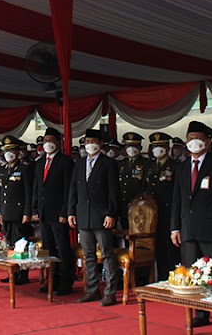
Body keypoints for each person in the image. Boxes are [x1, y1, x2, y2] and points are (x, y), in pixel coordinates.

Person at [170, 121, 212, 333]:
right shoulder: (182, 166)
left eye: (197, 138)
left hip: (211, 231)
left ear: (208, 142)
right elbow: (177, 199)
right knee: (193, 273)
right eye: (189, 138)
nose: (193, 142)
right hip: (187, 229)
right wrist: (174, 228)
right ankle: (201, 313)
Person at [69, 128, 119, 306]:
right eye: (87, 142)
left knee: (106, 254)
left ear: (101, 144)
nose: (90, 145)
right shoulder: (80, 163)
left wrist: (111, 213)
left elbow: (114, 192)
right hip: (83, 215)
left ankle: (110, 292)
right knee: (88, 255)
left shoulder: (108, 163)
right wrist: (71, 212)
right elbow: (73, 189)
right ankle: (92, 290)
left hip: (102, 216)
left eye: (93, 141)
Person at [32, 127, 75, 296]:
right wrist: (35, 208)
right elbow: (36, 187)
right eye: (45, 140)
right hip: (43, 213)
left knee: (63, 248)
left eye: (51, 140)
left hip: (58, 214)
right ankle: (52, 281)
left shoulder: (65, 162)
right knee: (49, 249)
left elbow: (68, 190)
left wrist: (65, 212)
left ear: (58, 142)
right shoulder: (40, 162)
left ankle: (66, 281)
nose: (48, 143)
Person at [0, 137, 32, 283]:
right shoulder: (3, 169)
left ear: (18, 152)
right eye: (6, 151)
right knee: (10, 243)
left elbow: (28, 192)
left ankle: (23, 273)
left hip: (19, 213)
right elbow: (0, 192)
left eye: (11, 150)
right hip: (6, 212)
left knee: (20, 243)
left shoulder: (24, 168)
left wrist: (27, 212)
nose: (8, 153)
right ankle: (12, 270)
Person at [145, 131, 180, 281]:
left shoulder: (175, 166)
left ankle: (173, 276)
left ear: (167, 147)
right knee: (157, 247)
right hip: (154, 213)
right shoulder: (151, 166)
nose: (157, 149)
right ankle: (160, 277)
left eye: (160, 146)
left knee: (171, 248)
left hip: (169, 212)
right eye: (154, 146)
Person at [117, 132, 150, 229]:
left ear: (140, 147)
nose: (131, 148)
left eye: (134, 145)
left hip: (139, 206)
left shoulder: (146, 163)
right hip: (123, 205)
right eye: (128, 145)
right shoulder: (121, 164)